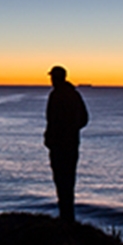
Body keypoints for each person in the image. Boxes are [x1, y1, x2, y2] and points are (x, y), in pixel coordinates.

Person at [44, 66, 89, 222]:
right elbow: (83, 119)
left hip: (61, 145)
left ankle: (66, 218)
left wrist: (64, 132)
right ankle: (67, 217)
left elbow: (53, 121)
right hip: (69, 144)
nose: (51, 80)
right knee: (67, 181)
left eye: (53, 77)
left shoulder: (57, 95)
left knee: (62, 181)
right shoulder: (73, 95)